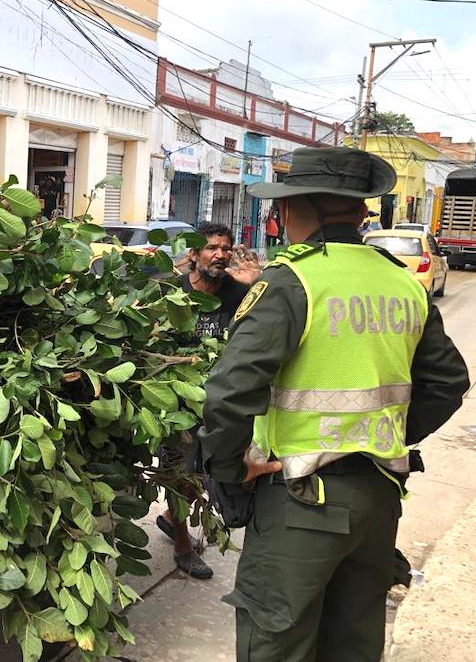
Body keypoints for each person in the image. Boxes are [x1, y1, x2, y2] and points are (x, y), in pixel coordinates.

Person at [198, 147, 470, 662]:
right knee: (352, 644)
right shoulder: (401, 281)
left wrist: (231, 469)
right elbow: (448, 382)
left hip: (301, 500)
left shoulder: (292, 280)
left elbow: (231, 390)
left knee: (275, 643)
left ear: (298, 208)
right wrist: (380, 436)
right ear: (359, 211)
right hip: (378, 498)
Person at [156, 221, 262, 579]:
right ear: (194, 254)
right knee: (179, 472)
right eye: (212, 248)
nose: (220, 254)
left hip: (220, 400)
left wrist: (259, 281)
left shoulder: (238, 292)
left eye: (225, 248)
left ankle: (173, 518)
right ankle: (184, 547)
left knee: (208, 472)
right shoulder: (173, 291)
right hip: (177, 400)